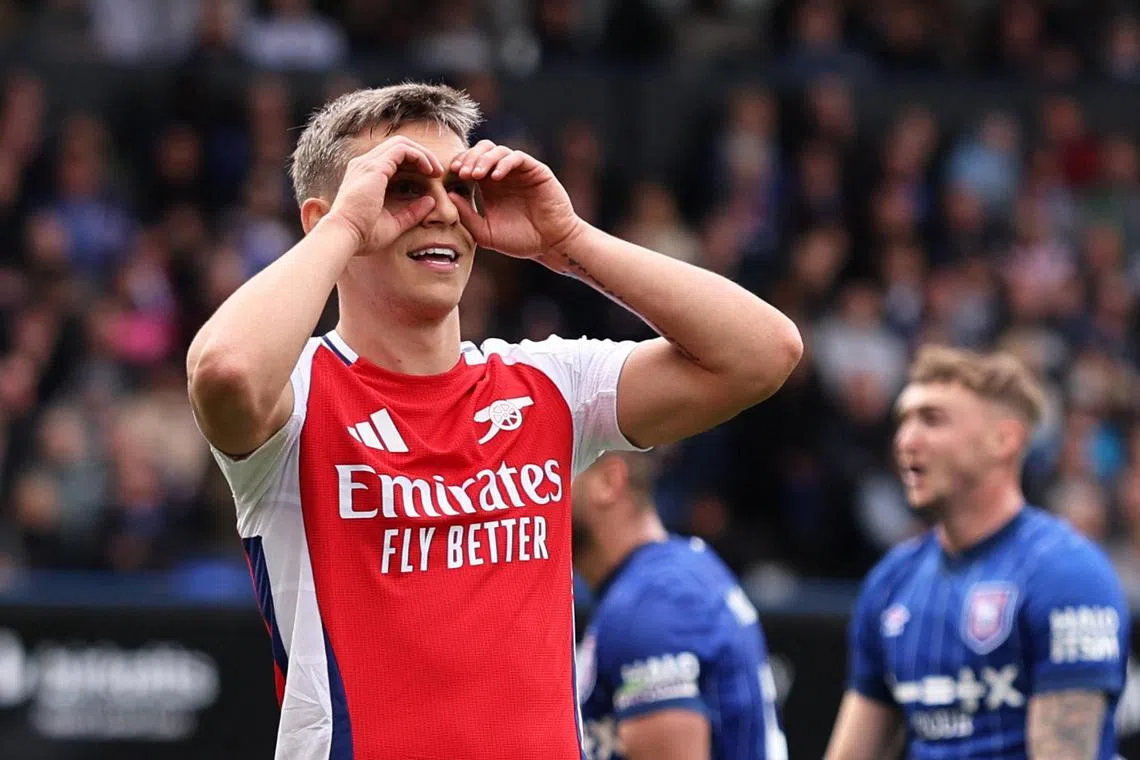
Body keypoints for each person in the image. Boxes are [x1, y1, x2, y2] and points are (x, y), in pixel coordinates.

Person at [186, 83, 803, 760]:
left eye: (457, 184)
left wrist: (570, 242)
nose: (440, 210)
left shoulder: (546, 383)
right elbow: (226, 373)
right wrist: (346, 226)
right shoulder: (298, 394)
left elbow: (762, 354)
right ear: (321, 218)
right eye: (401, 185)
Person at [824, 345, 1130, 760]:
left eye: (932, 419)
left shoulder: (1066, 572)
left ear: (1004, 439)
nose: (905, 440)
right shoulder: (891, 581)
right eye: (903, 420)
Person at [572, 451, 789, 760]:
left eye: (553, 474)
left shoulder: (653, 601)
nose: (531, 494)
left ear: (608, 481)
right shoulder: (661, 580)